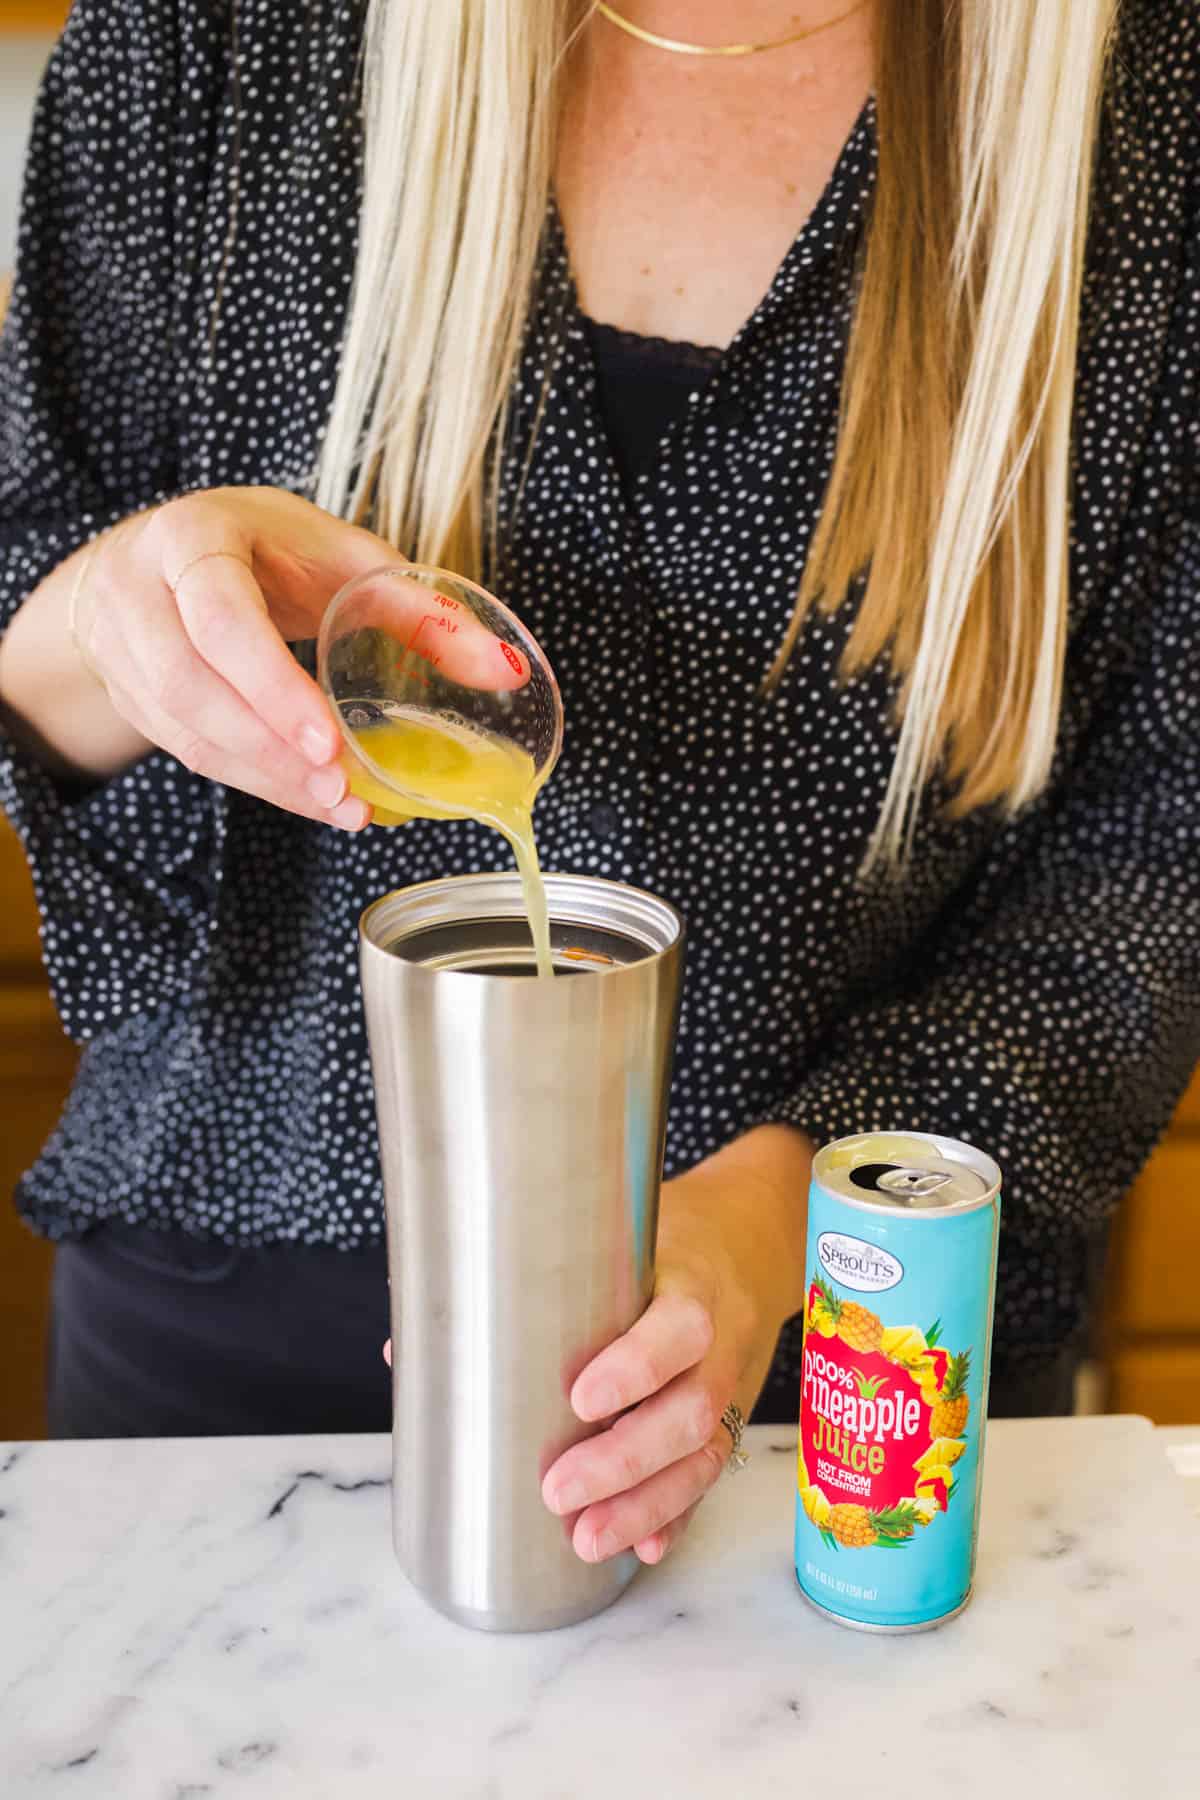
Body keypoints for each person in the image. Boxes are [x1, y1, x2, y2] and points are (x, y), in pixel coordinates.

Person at [0, 0, 1196, 1571]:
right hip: (230, 1360)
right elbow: (28, 621)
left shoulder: (1146, 113)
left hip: (853, 1381)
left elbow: (1156, 855)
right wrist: (119, 615)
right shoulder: (215, 43)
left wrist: (783, 1216)